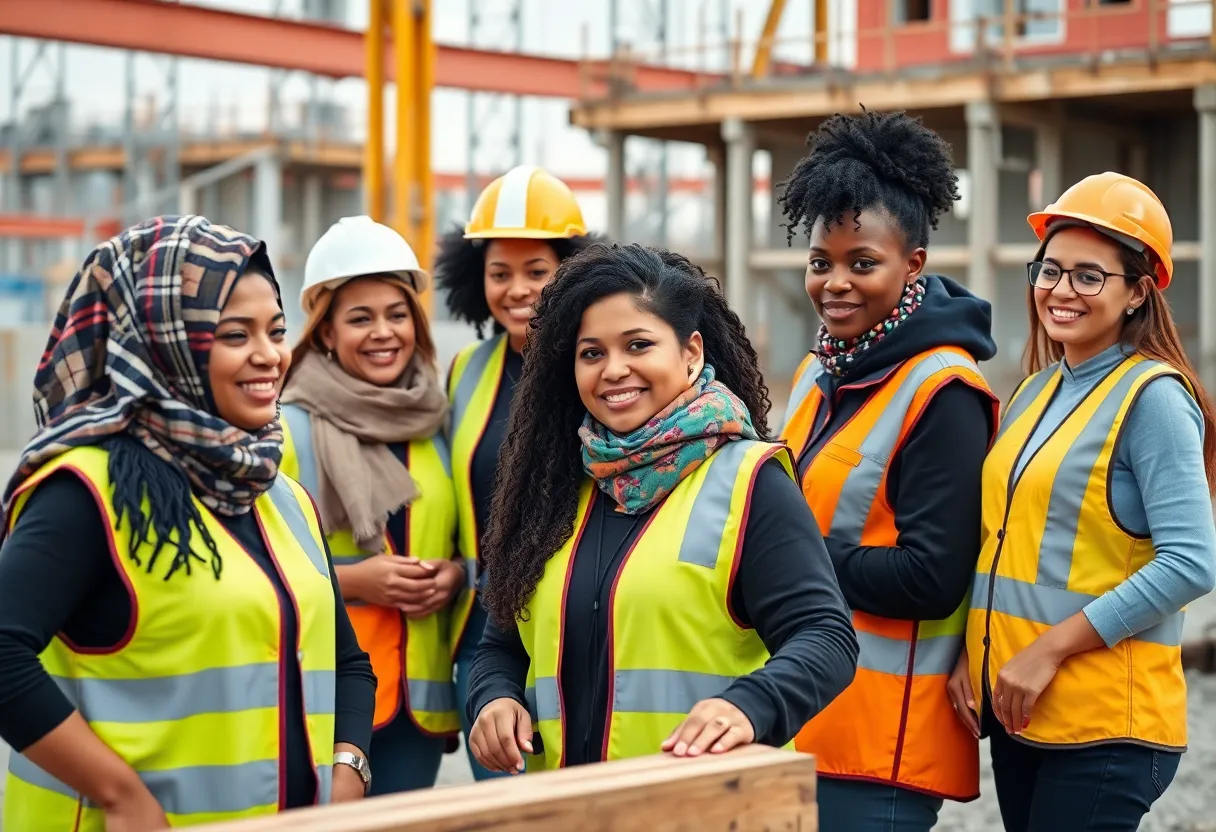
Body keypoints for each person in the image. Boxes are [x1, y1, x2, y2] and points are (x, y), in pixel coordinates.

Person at [0, 216, 376, 831]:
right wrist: (120, 795)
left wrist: (348, 770)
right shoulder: (88, 489)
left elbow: (347, 662)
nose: (269, 355)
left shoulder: (277, 491)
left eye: (277, 331)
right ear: (164, 342)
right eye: (234, 335)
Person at [463, 242, 859, 774]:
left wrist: (749, 706)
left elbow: (826, 637)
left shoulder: (749, 479)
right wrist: (493, 697)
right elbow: (499, 645)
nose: (613, 370)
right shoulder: (553, 488)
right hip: (563, 808)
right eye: (592, 353)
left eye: (638, 345)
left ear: (690, 353)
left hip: (706, 806)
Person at [949, 171, 1216, 831]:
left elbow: (1191, 561)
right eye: (1050, 269)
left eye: (1089, 276)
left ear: (1137, 294)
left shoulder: (1152, 398)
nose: (1061, 290)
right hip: (1024, 710)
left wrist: (1047, 652)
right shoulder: (1035, 392)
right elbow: (1003, 544)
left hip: (1106, 724)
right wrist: (971, 653)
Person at [775, 109, 1000, 830]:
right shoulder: (822, 369)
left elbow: (933, 578)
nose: (835, 283)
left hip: (879, 748)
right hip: (802, 717)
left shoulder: (944, 393)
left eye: (861, 263)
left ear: (914, 265)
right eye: (820, 263)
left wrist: (795, 562)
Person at [278, 216, 462, 794]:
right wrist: (358, 581)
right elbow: (259, 563)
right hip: (328, 696)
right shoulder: (288, 429)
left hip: (419, 702)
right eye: (360, 318)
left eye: (397, 314)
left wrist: (456, 574)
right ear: (327, 332)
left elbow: (462, 537)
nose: (384, 332)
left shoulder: (435, 422)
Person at [434, 164, 597, 779]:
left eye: (537, 271)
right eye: (500, 273)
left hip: (572, 615)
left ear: (573, 273)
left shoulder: (598, 366)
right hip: (484, 632)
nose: (517, 290)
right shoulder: (466, 371)